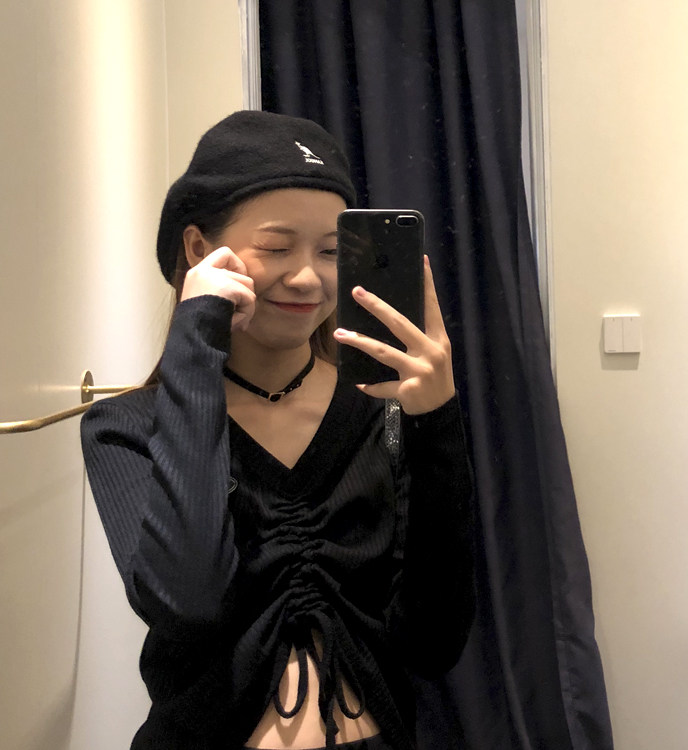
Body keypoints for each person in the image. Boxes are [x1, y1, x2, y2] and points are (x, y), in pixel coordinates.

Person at [81, 110, 474, 750]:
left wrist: (436, 423)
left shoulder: (384, 412)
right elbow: (188, 601)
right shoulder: (124, 427)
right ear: (199, 250)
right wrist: (195, 341)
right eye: (275, 246)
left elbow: (435, 642)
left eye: (331, 251)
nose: (307, 278)